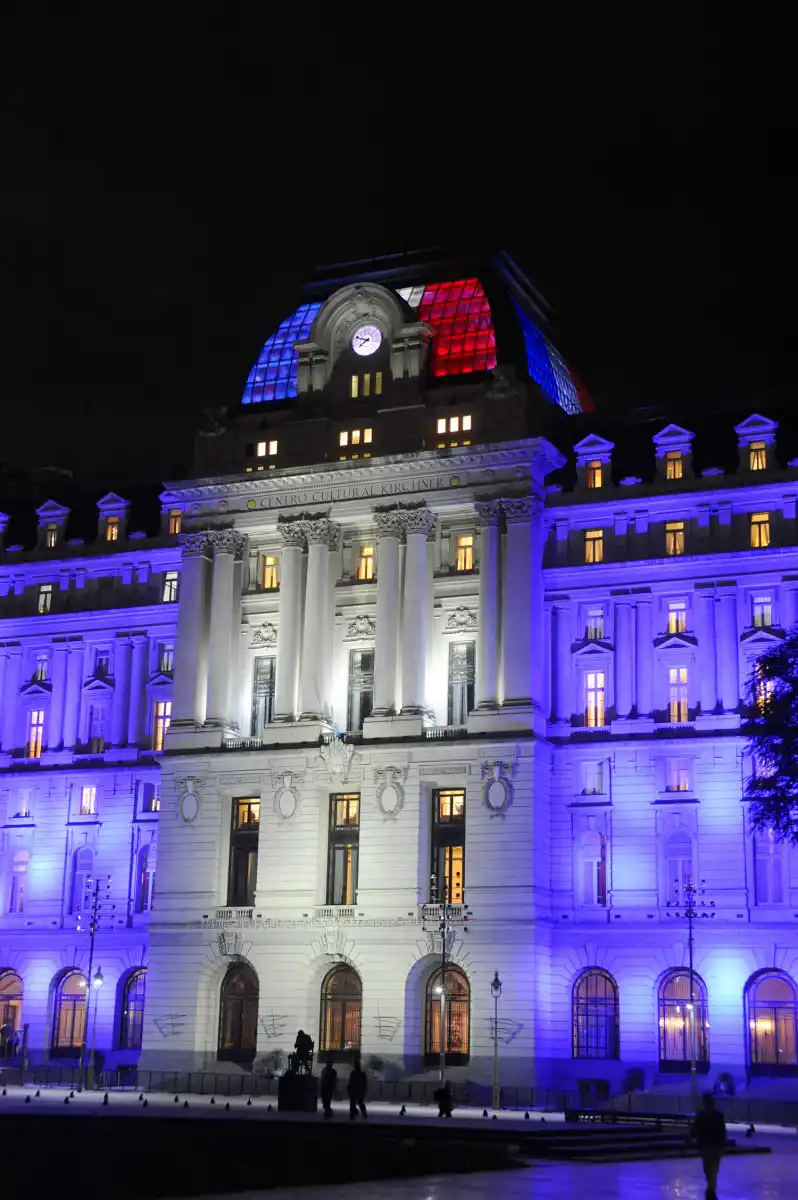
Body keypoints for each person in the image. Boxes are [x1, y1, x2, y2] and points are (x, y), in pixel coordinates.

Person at [691, 1092, 727, 1200]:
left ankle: (710, 1187)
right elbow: (722, 1130)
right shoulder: (717, 1115)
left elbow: (695, 1128)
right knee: (713, 1167)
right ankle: (711, 1187)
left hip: (707, 1145)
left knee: (709, 1167)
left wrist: (692, 1137)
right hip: (714, 1145)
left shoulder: (702, 1115)